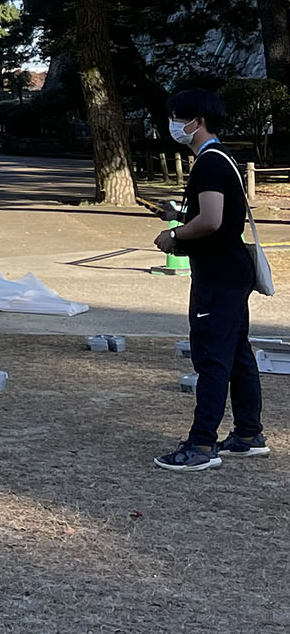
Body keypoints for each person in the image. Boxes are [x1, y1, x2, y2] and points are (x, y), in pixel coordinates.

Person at [152, 89, 268, 471]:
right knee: (237, 353)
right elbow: (216, 214)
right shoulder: (222, 157)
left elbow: (212, 220)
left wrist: (175, 235)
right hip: (231, 271)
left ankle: (202, 444)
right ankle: (248, 434)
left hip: (217, 275)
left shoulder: (208, 163)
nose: (172, 125)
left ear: (197, 121)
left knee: (212, 357)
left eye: (177, 118)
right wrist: (176, 213)